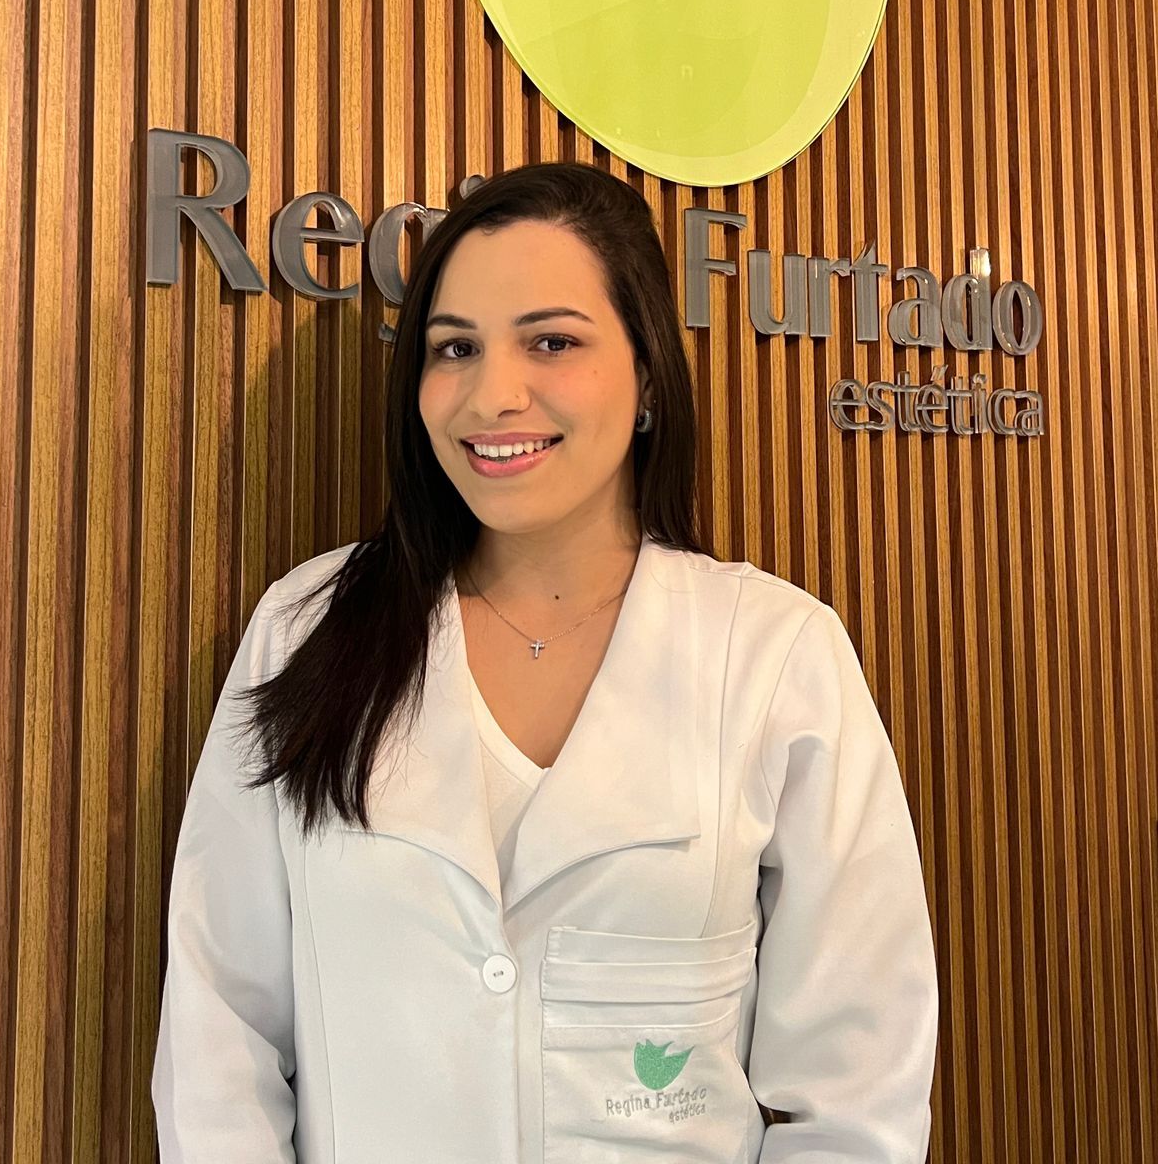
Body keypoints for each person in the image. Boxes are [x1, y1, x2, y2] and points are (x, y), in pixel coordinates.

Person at [152, 161, 939, 1161]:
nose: (494, 394)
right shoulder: (307, 630)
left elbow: (857, 1093)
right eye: (455, 348)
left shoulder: (774, 654)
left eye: (553, 341)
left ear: (647, 375)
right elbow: (219, 1034)